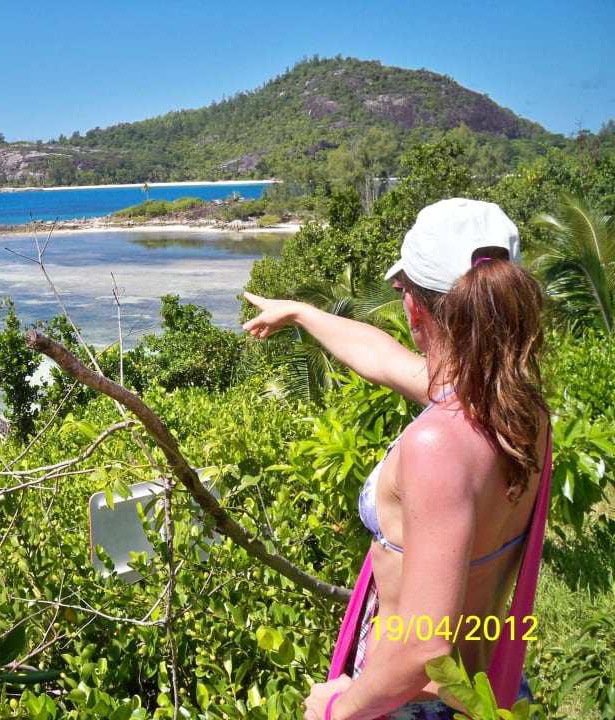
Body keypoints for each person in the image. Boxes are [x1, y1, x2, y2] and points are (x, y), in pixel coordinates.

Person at [242, 198, 551, 720]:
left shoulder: (437, 445)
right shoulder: (519, 410)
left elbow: (422, 650)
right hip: (491, 684)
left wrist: (336, 709)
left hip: (411, 702)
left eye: (402, 288)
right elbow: (383, 359)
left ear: (416, 306)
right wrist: (300, 313)